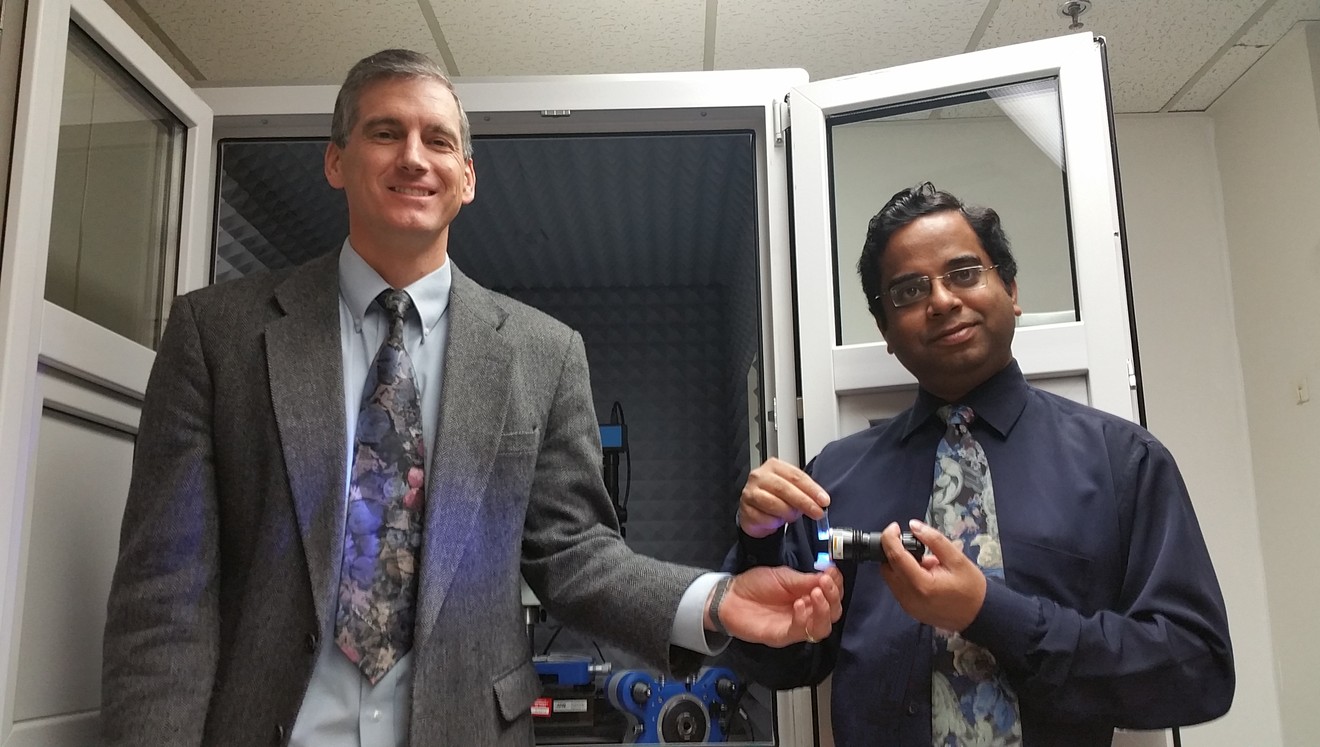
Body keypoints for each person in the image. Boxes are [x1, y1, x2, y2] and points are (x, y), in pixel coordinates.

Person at [100, 49, 842, 747]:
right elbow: (164, 596)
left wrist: (714, 599)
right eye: (385, 132)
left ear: (467, 176)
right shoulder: (216, 335)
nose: (414, 156)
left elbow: (575, 554)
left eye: (439, 140)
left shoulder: (543, 353)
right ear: (335, 160)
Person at [721, 182, 1234, 746]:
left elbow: (1198, 671)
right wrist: (759, 543)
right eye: (910, 290)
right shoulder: (832, 480)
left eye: (963, 273)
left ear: (1010, 290)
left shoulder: (1122, 463)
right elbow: (784, 663)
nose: (942, 300)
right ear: (885, 330)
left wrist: (991, 613)